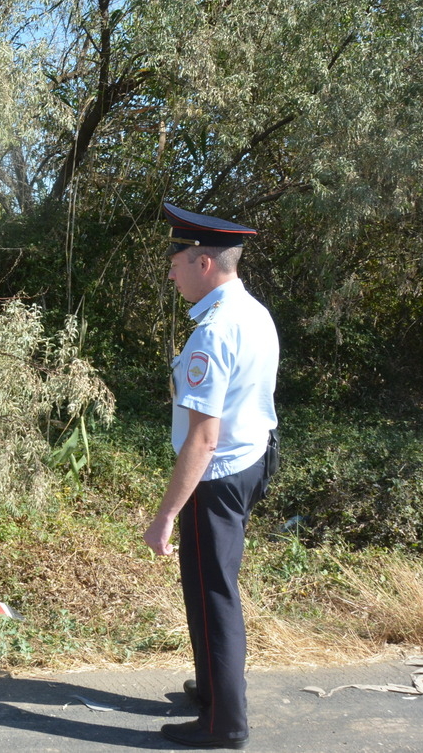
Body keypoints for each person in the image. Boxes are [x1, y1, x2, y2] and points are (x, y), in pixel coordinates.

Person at [142, 202, 279, 749]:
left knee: (212, 594)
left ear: (203, 262)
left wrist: (165, 516)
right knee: (211, 586)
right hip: (252, 461)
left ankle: (224, 724)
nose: (170, 273)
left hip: (216, 476)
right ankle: (212, 691)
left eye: (176, 262)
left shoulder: (213, 332)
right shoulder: (254, 312)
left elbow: (203, 438)